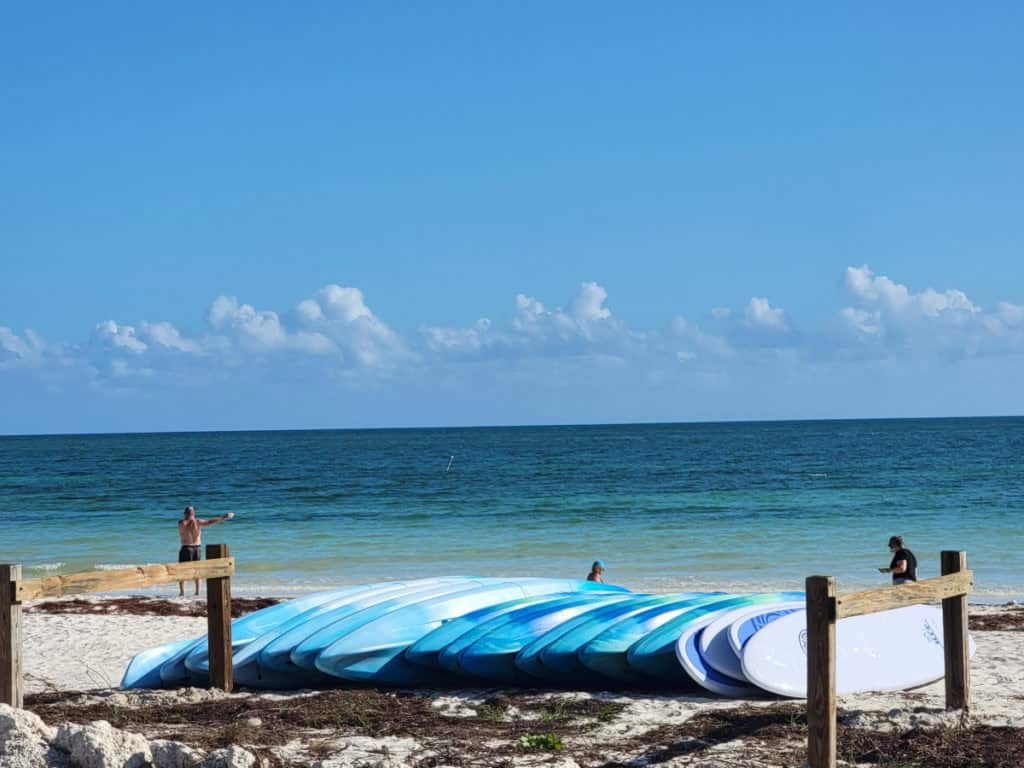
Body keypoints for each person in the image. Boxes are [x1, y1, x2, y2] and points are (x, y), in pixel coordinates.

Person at [178, 505, 234, 596]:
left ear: (185, 513)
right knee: (197, 571)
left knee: (182, 571)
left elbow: (187, 522)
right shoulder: (198, 522)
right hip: (196, 548)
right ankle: (197, 592)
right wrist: (224, 517)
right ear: (194, 513)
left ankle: (182, 592)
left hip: (186, 548)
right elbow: (210, 522)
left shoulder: (181, 523)